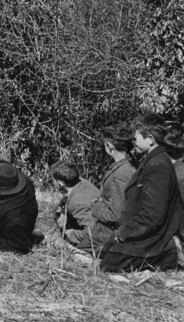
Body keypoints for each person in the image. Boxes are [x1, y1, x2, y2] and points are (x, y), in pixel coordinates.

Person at [100, 114, 184, 272]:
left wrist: (123, 233)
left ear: (150, 139)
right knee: (104, 254)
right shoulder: (154, 160)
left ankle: (166, 256)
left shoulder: (158, 166)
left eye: (136, 138)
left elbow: (152, 215)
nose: (132, 142)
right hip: (143, 232)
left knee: (109, 265)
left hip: (154, 239)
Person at [72, 122, 137, 253]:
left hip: (108, 233)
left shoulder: (121, 174)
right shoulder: (126, 166)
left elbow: (115, 215)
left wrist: (96, 205)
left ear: (109, 145)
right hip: (108, 231)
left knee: (75, 253)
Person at [51, 161, 99, 247]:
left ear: (60, 183)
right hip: (89, 218)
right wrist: (62, 212)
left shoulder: (78, 203)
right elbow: (65, 199)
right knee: (57, 210)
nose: (52, 181)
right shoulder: (77, 182)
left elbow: (91, 234)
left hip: (98, 234)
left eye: (53, 179)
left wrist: (69, 233)